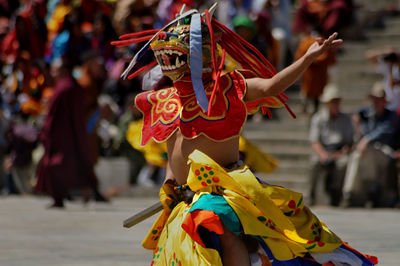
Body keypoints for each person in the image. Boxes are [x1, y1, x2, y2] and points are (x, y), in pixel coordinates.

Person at [114, 5, 377, 265]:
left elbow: (271, 86)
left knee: (219, 225)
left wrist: (307, 58)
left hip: (224, 193)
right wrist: (169, 183)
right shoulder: (166, 100)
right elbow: (174, 150)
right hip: (186, 197)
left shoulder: (228, 88)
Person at [34, 59, 102, 208]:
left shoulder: (65, 88)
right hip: (73, 133)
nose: (52, 73)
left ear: (63, 71)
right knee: (75, 163)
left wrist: (46, 132)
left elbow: (53, 116)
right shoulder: (72, 86)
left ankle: (69, 195)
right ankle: (79, 193)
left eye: (55, 70)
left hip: (61, 135)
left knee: (55, 165)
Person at [343, 81, 399, 207]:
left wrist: (366, 140)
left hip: (386, 151)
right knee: (358, 155)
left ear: (384, 101)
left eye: (379, 99)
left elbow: (383, 132)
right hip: (368, 151)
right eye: (374, 99)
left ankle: (370, 189)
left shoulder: (391, 116)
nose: (376, 102)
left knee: (366, 150)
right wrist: (357, 121)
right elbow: (356, 113)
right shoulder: (368, 113)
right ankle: (348, 192)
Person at [309, 83, 353, 206]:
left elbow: (350, 142)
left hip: (340, 151)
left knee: (342, 164)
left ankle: (336, 195)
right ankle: (311, 195)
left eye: (337, 101)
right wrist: (323, 154)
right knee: (313, 162)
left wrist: (338, 154)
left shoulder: (346, 119)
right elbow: (314, 141)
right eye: (333, 101)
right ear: (327, 103)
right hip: (323, 150)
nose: (335, 104)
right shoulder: (318, 118)